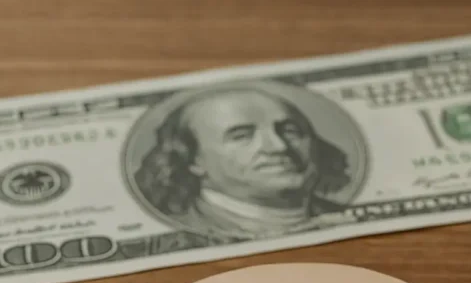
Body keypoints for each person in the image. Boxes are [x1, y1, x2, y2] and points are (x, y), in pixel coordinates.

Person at [135, 87, 351, 239]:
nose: (278, 147)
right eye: (242, 136)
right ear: (193, 160)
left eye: (290, 131)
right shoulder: (187, 226)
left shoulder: (344, 216)